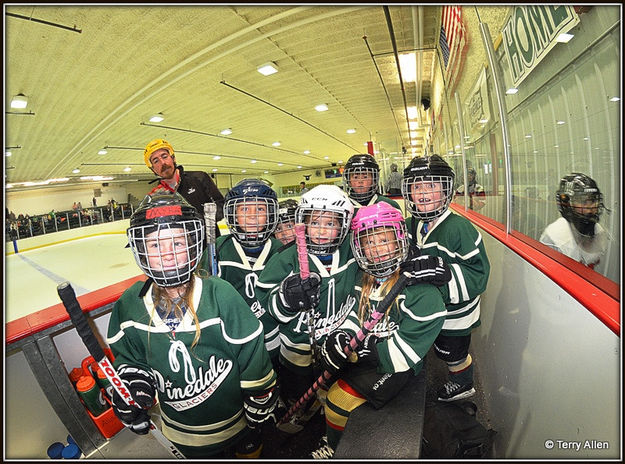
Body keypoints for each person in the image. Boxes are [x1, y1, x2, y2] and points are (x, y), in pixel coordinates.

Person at [106, 192, 278, 458]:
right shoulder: (130, 303)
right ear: (140, 250)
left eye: (177, 242)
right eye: (155, 245)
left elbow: (252, 354)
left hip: (235, 424)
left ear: (192, 244)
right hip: (179, 431)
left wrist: (260, 395)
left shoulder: (221, 294)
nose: (167, 254)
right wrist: (133, 388)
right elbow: (130, 359)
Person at [311, 202, 448, 458]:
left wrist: (368, 351)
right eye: (369, 242)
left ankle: (335, 446)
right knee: (322, 383)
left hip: (397, 364)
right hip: (370, 352)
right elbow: (355, 315)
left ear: (399, 241)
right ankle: (335, 431)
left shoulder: (420, 290)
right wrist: (342, 336)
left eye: (384, 240)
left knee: (336, 403)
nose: (376, 249)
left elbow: (408, 350)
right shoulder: (364, 278)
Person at [256, 185, 358, 429]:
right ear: (303, 223)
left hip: (338, 343)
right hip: (296, 350)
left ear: (343, 225)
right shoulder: (285, 259)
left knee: (335, 389)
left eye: (330, 224)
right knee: (300, 392)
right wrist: (284, 300)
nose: (322, 231)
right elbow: (263, 307)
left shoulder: (351, 252)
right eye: (315, 223)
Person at [402, 155, 490, 402]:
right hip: (428, 306)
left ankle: (462, 384)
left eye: (431, 185)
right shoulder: (412, 224)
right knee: (429, 341)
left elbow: (478, 273)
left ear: (446, 189)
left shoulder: (459, 228)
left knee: (452, 352)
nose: (423, 193)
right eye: (417, 186)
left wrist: (447, 274)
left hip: (455, 313)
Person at [214, 179, 283, 365]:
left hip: (276, 342)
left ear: (270, 214)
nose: (252, 216)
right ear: (233, 215)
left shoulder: (280, 250)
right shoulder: (218, 250)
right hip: (234, 344)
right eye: (244, 209)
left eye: (260, 209)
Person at [143, 138, 224, 236]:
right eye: (156, 161)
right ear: (153, 170)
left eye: (164, 156)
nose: (162, 163)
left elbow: (221, 204)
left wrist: (201, 221)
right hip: (181, 248)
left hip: (210, 243)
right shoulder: (156, 196)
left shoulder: (199, 178)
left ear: (173, 158)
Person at [539, 173, 609, 269]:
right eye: (583, 201)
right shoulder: (555, 237)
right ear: (566, 203)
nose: (590, 207)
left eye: (592, 200)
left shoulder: (598, 231)